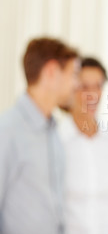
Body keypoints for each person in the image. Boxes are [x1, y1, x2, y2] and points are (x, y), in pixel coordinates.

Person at [0, 37, 80, 234]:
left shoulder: (53, 132)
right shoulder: (7, 130)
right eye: (74, 74)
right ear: (52, 71)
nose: (77, 84)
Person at [57, 57, 108, 234]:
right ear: (71, 89)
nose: (93, 95)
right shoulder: (56, 140)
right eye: (84, 87)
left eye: (98, 86)